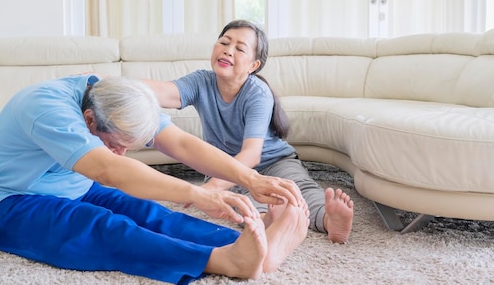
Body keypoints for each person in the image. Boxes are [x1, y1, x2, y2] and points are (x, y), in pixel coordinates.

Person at [0, 74, 310, 285]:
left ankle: (250, 245)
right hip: (5, 205)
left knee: (150, 213)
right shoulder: (46, 108)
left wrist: (249, 177)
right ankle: (224, 261)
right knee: (102, 225)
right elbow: (109, 171)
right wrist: (196, 193)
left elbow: (180, 142)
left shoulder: (117, 97)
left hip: (73, 188)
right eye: (115, 144)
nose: (121, 154)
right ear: (88, 121)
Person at [143, 20, 354, 244]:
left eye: (239, 48)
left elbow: (252, 155)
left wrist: (210, 188)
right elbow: (164, 92)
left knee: (299, 189)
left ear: (253, 65)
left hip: (275, 161)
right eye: (223, 42)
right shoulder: (201, 82)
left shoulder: (258, 93)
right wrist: (111, 85)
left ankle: (329, 221)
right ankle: (267, 220)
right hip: (226, 166)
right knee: (241, 200)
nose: (227, 50)